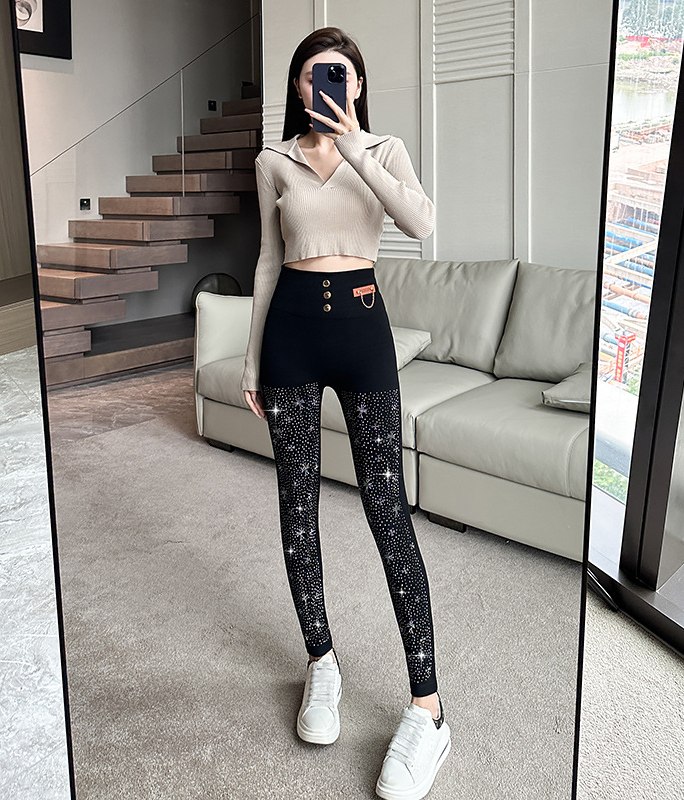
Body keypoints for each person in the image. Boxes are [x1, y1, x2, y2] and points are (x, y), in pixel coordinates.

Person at [240, 26, 450, 800]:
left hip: (362, 333)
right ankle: (321, 661)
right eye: (311, 75)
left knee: (387, 510)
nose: (324, 85)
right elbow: (268, 260)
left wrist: (356, 146)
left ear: (356, 84)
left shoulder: (384, 150)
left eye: (338, 74)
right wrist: (253, 360)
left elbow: (421, 225)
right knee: (297, 508)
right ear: (297, 87)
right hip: (290, 337)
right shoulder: (273, 161)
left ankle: (428, 709)